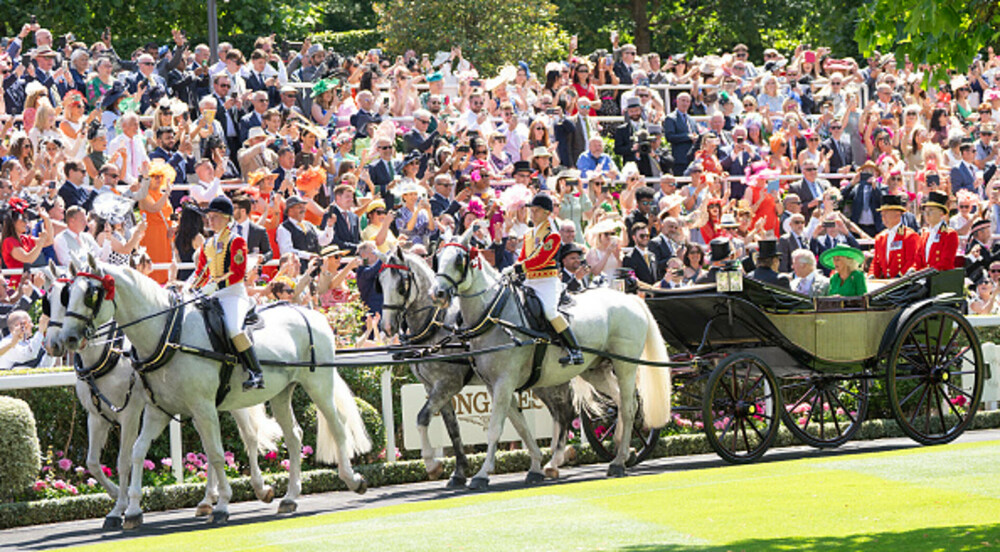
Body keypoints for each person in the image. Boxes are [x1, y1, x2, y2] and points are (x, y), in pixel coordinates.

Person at [189, 196, 263, 390]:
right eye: (209, 217)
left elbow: (238, 273)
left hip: (232, 293)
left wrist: (215, 286)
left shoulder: (236, 241)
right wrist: (191, 288)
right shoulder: (208, 244)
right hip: (212, 294)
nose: (210, 221)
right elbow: (203, 271)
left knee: (233, 329)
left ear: (227, 219)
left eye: (215, 217)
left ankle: (256, 372)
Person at [502, 193, 583, 365]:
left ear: (547, 213)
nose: (532, 213)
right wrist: (514, 269)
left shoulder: (552, 236)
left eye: (536, 210)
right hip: (529, 280)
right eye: (532, 210)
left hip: (547, 281)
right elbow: (523, 256)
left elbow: (541, 259)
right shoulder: (529, 234)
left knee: (550, 312)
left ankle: (575, 349)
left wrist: (517, 268)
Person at [869, 195, 919, 279]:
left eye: (886, 213)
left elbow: (912, 260)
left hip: (902, 282)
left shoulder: (910, 236)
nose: (883, 217)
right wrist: (871, 275)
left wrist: (899, 276)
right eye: (882, 214)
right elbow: (876, 263)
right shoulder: (880, 237)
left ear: (897, 214)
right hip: (885, 283)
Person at [916, 191, 959, 271]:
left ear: (941, 213)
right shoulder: (924, 234)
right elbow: (918, 259)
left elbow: (946, 262)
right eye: (925, 211)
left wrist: (926, 272)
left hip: (940, 279)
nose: (927, 214)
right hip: (923, 278)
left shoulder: (949, 234)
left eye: (931, 211)